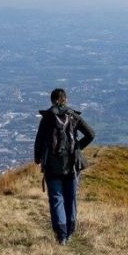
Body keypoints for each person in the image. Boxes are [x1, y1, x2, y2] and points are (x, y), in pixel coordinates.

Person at [33, 88, 95, 244]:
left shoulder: (47, 118)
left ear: (52, 100)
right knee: (71, 198)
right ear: (65, 99)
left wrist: (38, 159)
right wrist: (78, 148)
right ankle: (70, 231)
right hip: (72, 165)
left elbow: (39, 141)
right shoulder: (73, 116)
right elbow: (91, 134)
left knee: (57, 199)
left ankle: (61, 236)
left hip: (52, 167)